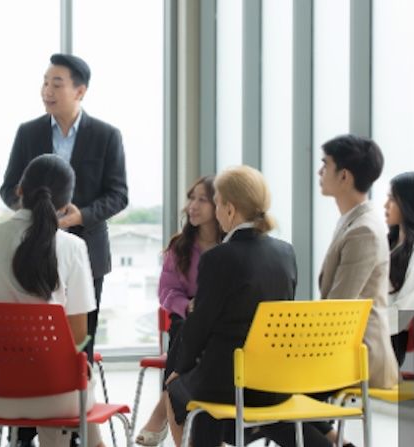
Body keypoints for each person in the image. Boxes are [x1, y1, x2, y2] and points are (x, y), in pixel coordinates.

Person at [165, 165, 329, 447]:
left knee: (176, 387)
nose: (216, 212)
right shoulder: (285, 253)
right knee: (258, 409)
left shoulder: (219, 258)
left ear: (229, 209)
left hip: (228, 383)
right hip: (273, 380)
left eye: (216, 204)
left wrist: (180, 368)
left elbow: (200, 324)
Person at [0, 154, 103, 447]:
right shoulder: (72, 247)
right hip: (56, 395)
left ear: (19, 191)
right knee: (76, 380)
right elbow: (77, 335)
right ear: (66, 205)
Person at [0, 53, 128, 365]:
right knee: (34, 336)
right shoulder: (28, 133)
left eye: (56, 84)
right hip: (33, 249)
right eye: (45, 83)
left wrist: (81, 214)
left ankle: (79, 405)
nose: (47, 91)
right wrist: (34, 212)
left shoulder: (106, 135)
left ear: (79, 91)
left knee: (82, 338)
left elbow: (119, 194)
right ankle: (40, 399)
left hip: (87, 250)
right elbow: (8, 189)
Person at [134, 176, 222, 446]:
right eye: (191, 198)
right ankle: (180, 435)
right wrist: (188, 306)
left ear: (219, 204)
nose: (192, 206)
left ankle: (162, 411)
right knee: (186, 331)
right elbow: (167, 292)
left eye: (201, 199)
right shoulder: (179, 247)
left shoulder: (232, 245)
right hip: (186, 320)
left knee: (192, 343)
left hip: (221, 324)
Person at [317, 134, 399, 388]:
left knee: (266, 393)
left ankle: (326, 431)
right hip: (345, 351)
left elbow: (339, 306)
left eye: (325, 165)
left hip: (360, 355)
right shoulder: (353, 222)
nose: (320, 172)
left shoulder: (362, 230)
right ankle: (326, 430)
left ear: (344, 176)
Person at [384, 171, 414, 365]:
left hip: (391, 342)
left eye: (392, 199)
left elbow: (405, 313)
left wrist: (362, 326)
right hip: (375, 334)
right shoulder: (387, 244)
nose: (385, 205)